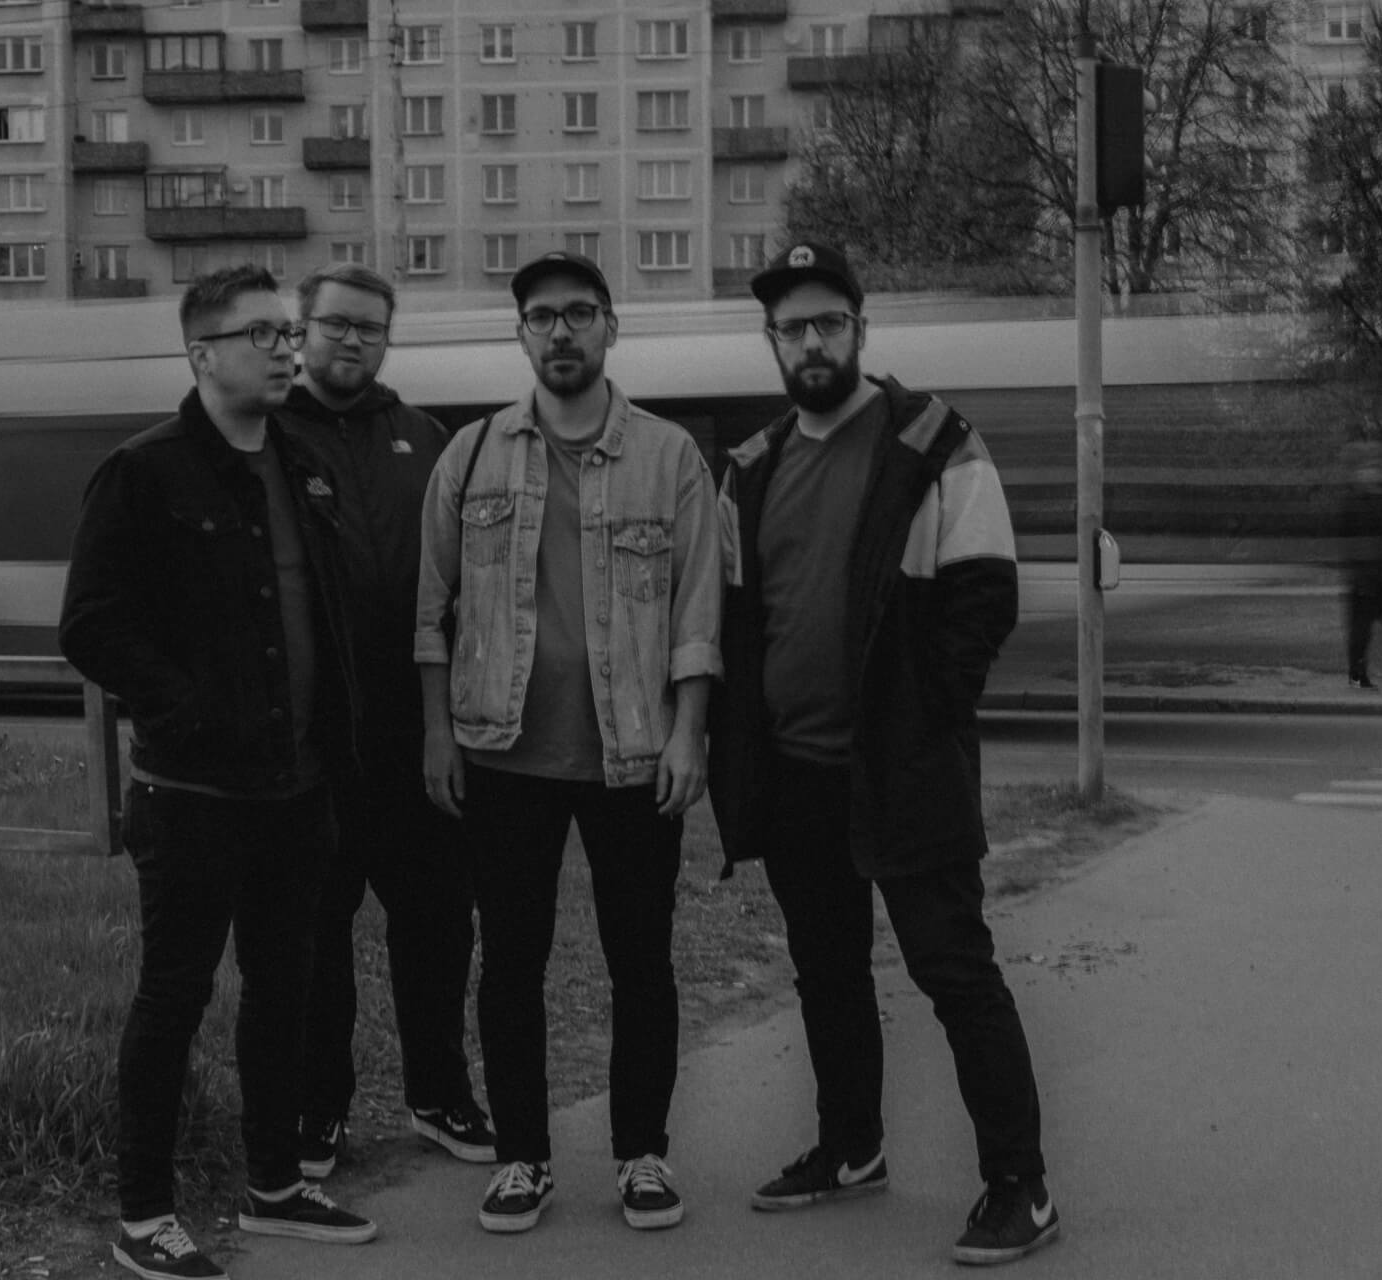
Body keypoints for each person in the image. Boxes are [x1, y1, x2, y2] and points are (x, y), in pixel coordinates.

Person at [708, 243, 1057, 1266]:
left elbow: (984, 593)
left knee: (954, 972)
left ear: (861, 330)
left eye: (829, 322)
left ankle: (1021, 1185)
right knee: (826, 972)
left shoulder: (934, 441)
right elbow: (739, 619)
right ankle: (851, 1146)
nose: (811, 342)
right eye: (792, 327)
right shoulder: (750, 465)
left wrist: (925, 714)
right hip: (797, 774)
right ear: (771, 341)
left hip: (903, 770)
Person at [59, 265, 377, 1281]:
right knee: (174, 997)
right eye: (262, 335)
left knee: (284, 991)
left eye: (288, 332)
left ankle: (274, 1184)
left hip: (297, 790)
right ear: (202, 354)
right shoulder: (143, 472)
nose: (287, 349)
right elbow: (90, 625)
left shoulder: (303, 465)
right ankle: (145, 1214)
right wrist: (187, 706)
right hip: (194, 797)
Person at [414, 251, 723, 1235]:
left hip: (634, 755)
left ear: (610, 328)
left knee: (642, 962)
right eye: (542, 315)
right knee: (510, 963)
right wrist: (437, 734)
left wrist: (689, 733)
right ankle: (522, 1158)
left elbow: (697, 611)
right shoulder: (470, 456)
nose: (561, 331)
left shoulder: (670, 456)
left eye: (580, 313)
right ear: (521, 333)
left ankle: (641, 1154)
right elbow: (432, 611)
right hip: (502, 755)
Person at [274, 262, 495, 1179]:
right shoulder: (268, 436)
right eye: (336, 324)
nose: (353, 341)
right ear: (301, 332)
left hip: (416, 736)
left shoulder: (425, 438)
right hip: (315, 745)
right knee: (317, 938)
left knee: (439, 926)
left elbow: (460, 582)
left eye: (370, 327)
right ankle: (317, 1108)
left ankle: (438, 1093)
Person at [1341, 440, 1382, 690]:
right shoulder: (1355, 503)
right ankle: (1358, 676)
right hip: (1364, 577)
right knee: (1362, 629)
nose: (1375, 473)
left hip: (1380, 574)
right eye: (1370, 468)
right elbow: (1350, 539)